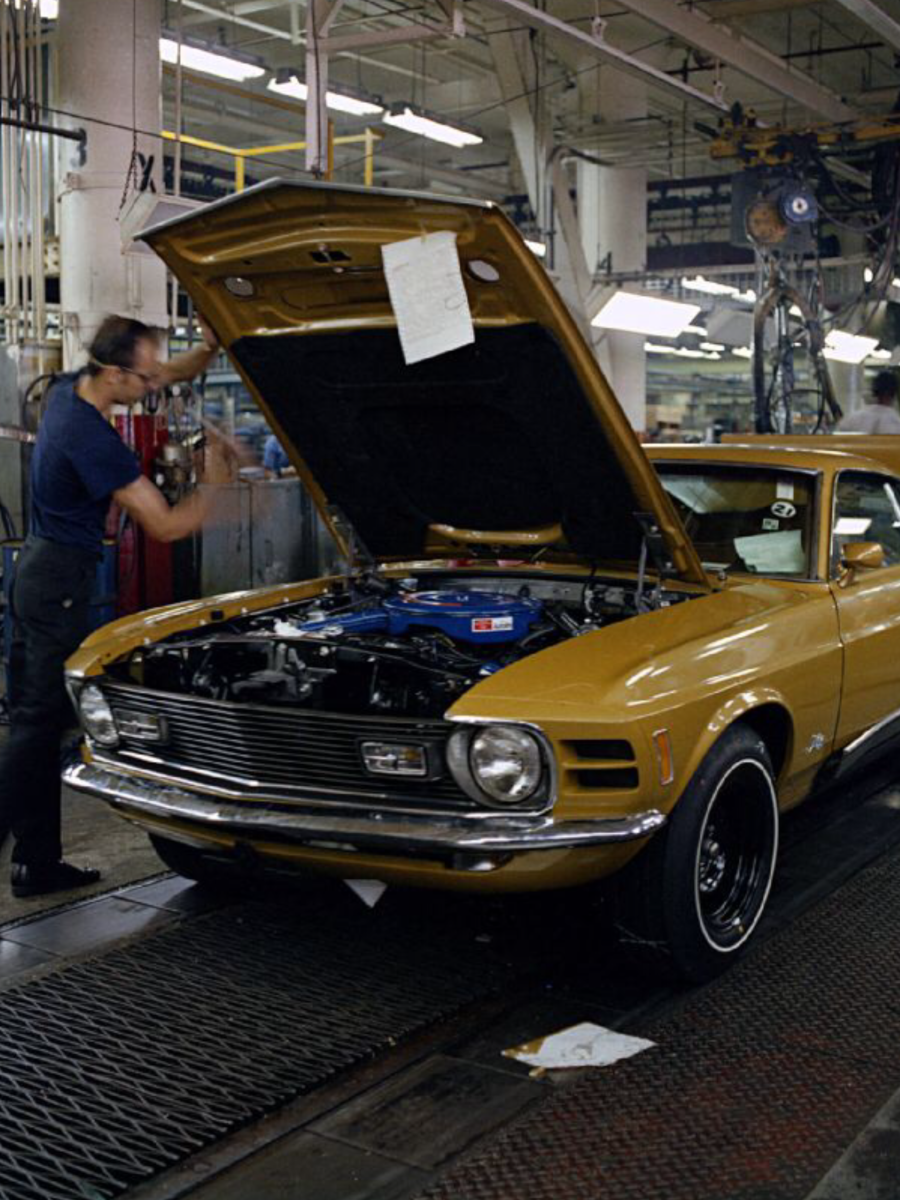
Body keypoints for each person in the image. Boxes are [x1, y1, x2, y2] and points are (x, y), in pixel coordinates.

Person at [0, 314, 234, 898]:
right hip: (59, 583)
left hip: (39, 573)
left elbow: (162, 373)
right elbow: (166, 525)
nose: (154, 385)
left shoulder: (66, 392)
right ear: (114, 372)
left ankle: (35, 861)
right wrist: (218, 486)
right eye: (145, 377)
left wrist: (204, 351)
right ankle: (32, 860)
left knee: (37, 723)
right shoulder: (96, 443)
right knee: (36, 728)